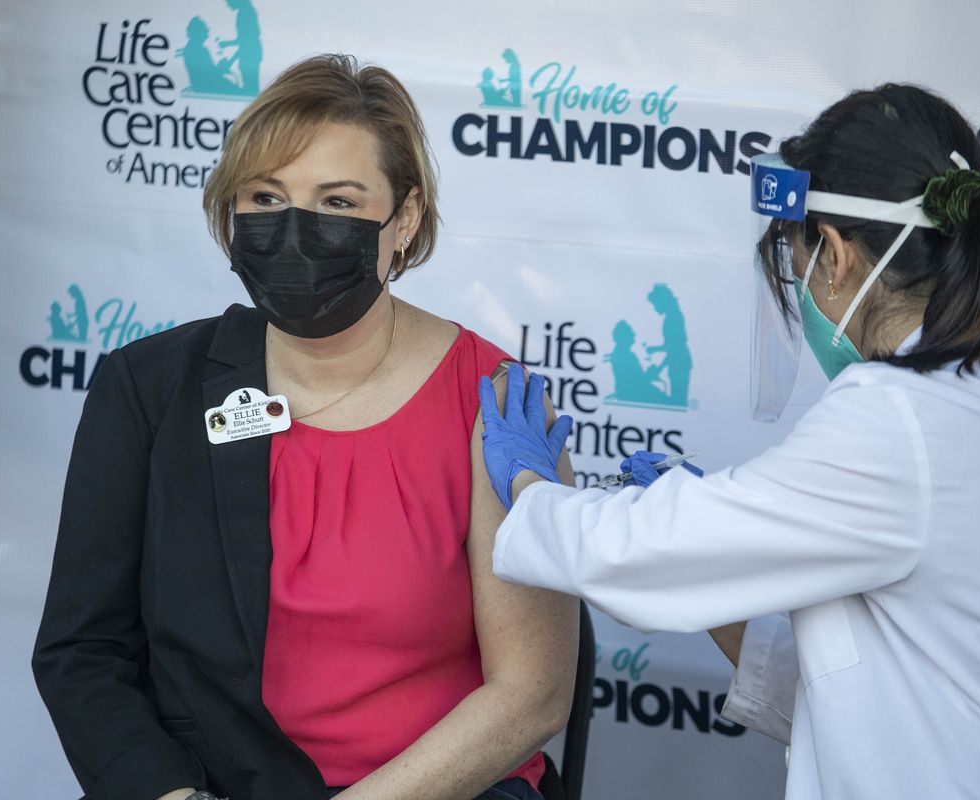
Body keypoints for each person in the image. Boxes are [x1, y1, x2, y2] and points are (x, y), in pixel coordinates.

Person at [478, 84, 980, 798]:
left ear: (836, 255)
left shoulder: (899, 422)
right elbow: (881, 683)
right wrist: (728, 567)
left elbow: (642, 551)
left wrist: (533, 492)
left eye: (798, 258)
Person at [33, 54, 578, 800]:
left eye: (338, 202)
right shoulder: (149, 389)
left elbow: (533, 694)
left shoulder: (496, 401)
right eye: (265, 195)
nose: (294, 229)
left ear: (405, 218)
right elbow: (84, 650)